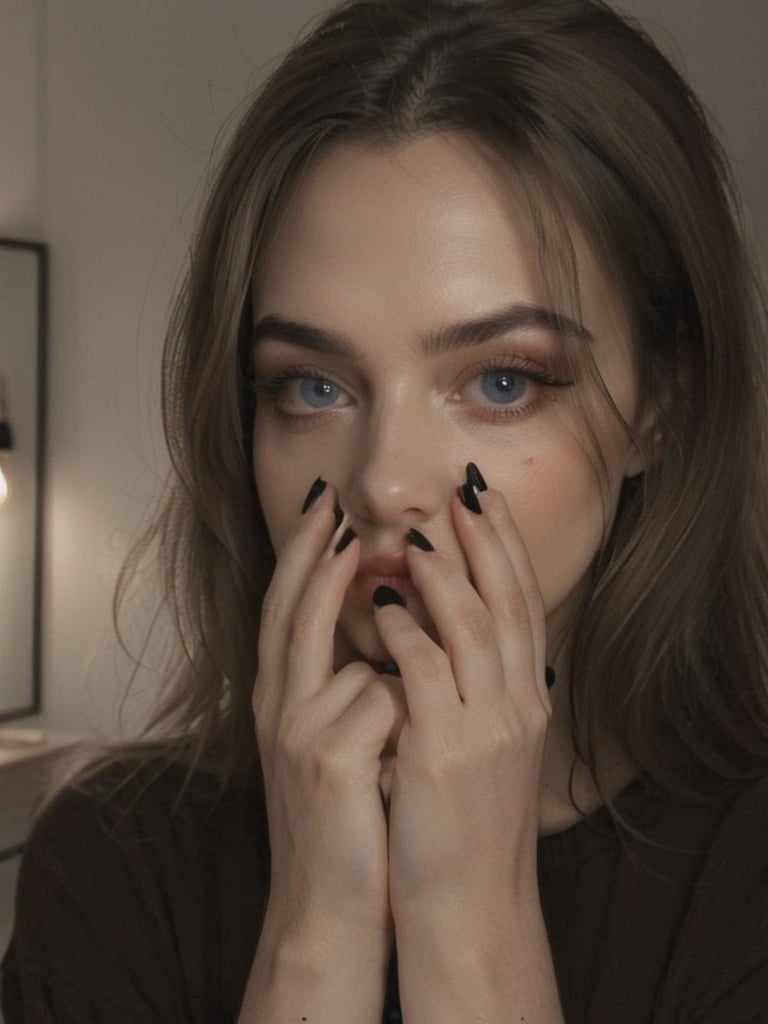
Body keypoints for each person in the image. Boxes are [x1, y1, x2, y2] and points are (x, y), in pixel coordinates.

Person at [3, 0, 768, 1020]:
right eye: (315, 387)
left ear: (661, 402)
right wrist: (314, 938)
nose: (383, 482)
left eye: (502, 381)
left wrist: (471, 932)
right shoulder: (109, 865)